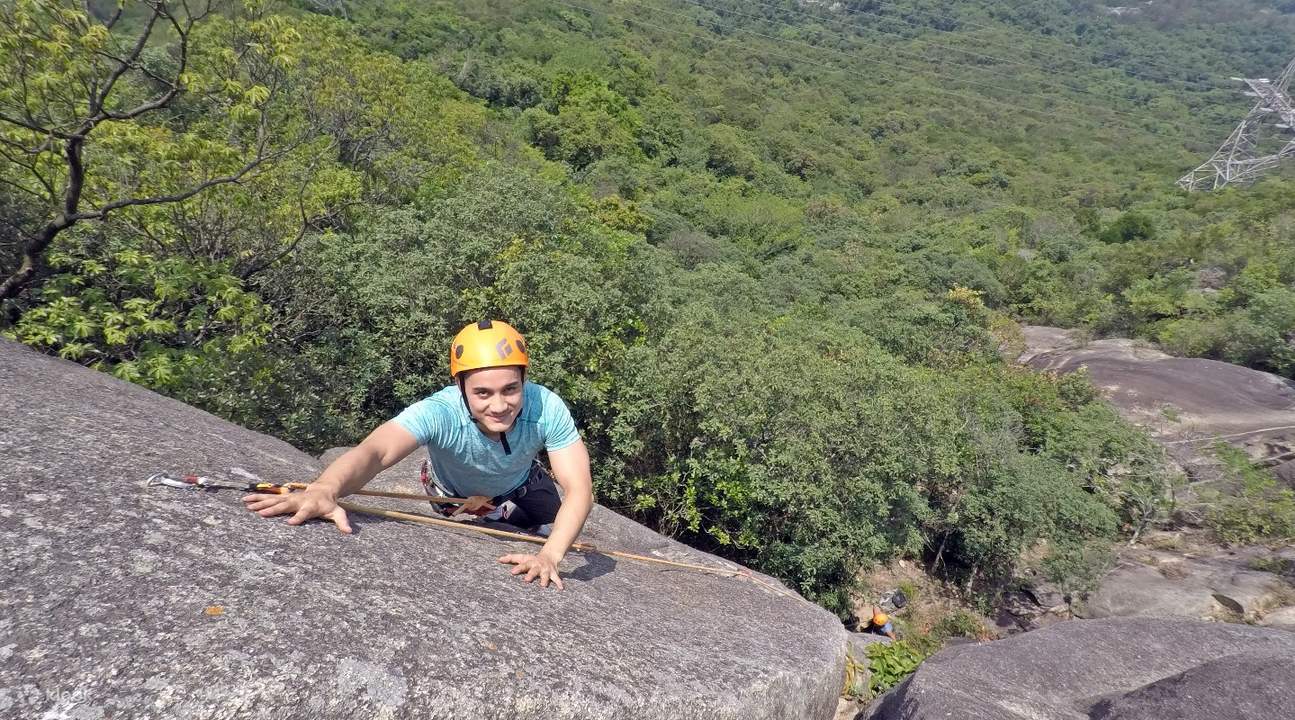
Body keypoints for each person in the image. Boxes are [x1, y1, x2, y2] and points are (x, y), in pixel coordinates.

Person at [242, 320, 593, 590]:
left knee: (550, 523)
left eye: (510, 389)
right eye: (483, 393)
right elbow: (376, 452)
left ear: (524, 380)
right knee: (497, 524)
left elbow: (579, 490)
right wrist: (325, 489)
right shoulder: (439, 412)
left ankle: (512, 516)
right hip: (454, 493)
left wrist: (550, 555)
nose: (499, 405)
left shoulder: (545, 406)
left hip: (521, 481)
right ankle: (494, 514)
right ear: (460, 386)